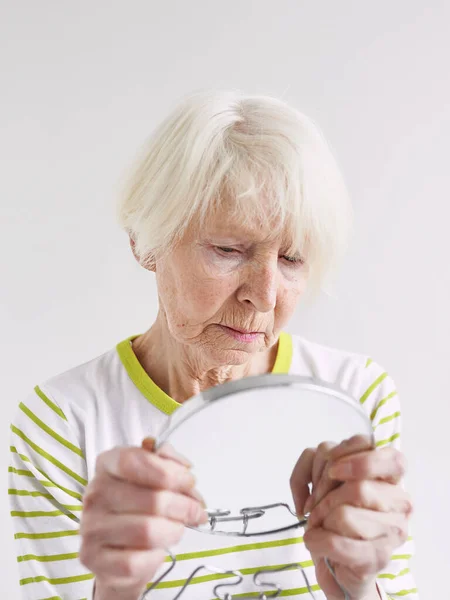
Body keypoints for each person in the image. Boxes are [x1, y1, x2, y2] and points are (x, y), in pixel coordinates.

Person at [8, 90, 418, 600]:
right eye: (228, 249)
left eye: (291, 258)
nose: (263, 296)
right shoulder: (63, 423)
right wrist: (115, 588)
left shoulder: (354, 397)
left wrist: (354, 587)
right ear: (146, 241)